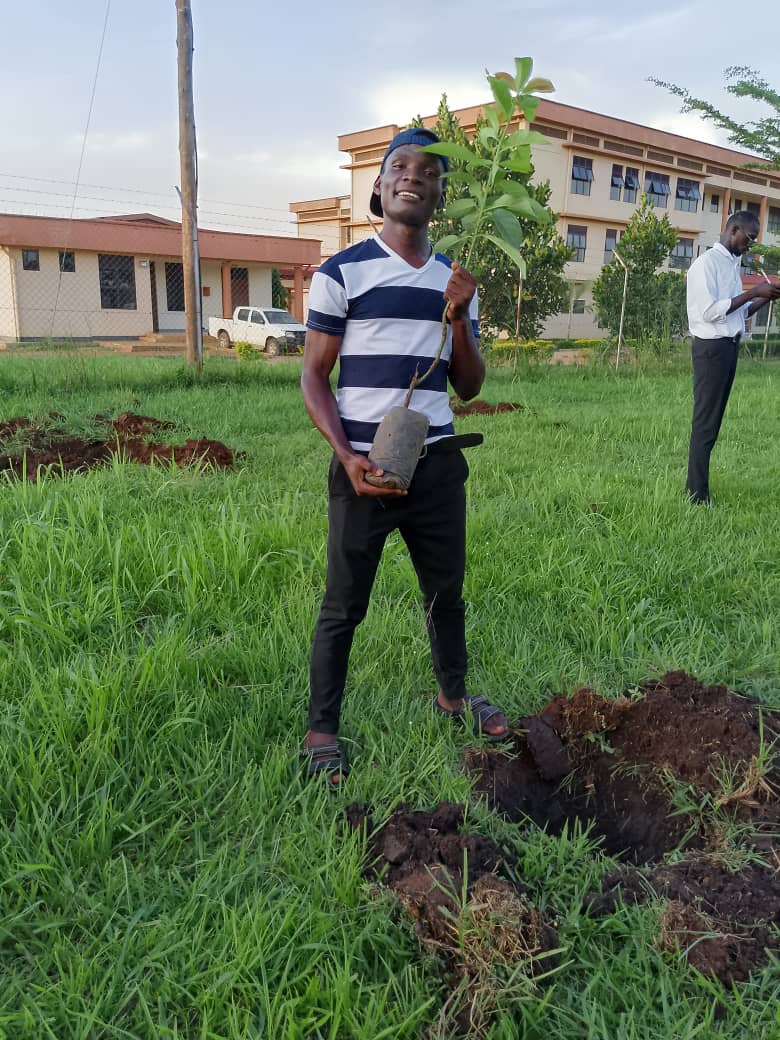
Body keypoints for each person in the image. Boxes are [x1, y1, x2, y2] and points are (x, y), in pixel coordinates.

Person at [300, 127, 509, 785]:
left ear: (441, 195)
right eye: (401, 167)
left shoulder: (456, 281)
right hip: (365, 468)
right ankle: (322, 727)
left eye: (430, 171)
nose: (414, 176)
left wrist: (457, 318)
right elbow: (314, 377)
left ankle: (452, 695)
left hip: (439, 464)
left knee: (446, 592)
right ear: (380, 187)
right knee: (344, 604)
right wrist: (347, 456)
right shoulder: (341, 273)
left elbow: (470, 386)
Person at [685, 211, 780, 504]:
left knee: (713, 422)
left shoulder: (732, 264)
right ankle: (696, 494)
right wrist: (754, 292)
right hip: (711, 351)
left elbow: (736, 313)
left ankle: (697, 489)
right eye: (749, 238)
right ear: (733, 230)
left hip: (728, 347)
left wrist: (766, 297)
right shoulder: (706, 264)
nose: (750, 244)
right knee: (704, 423)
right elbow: (711, 311)